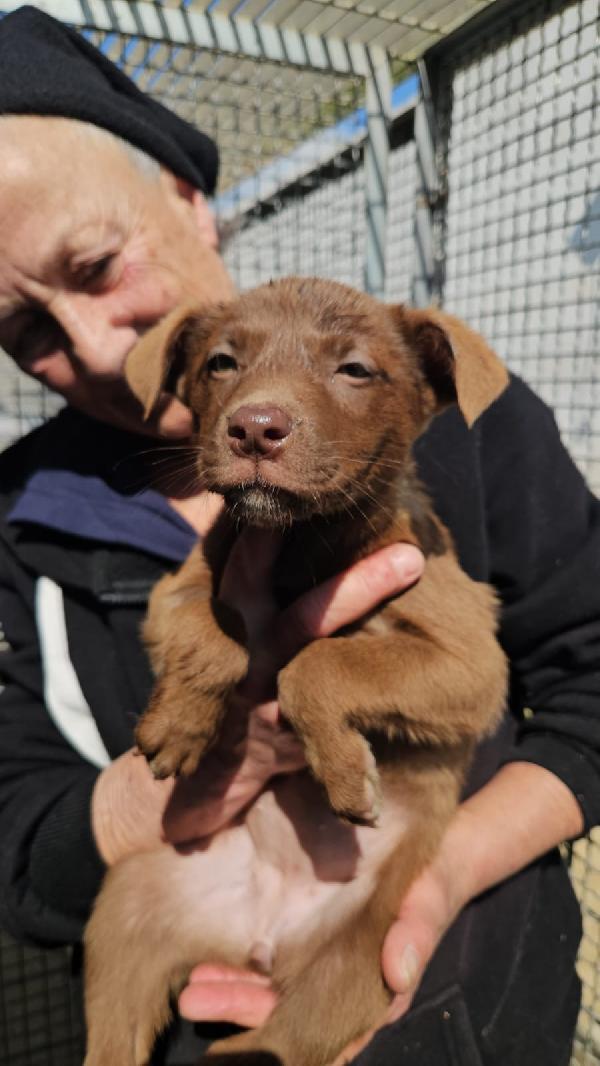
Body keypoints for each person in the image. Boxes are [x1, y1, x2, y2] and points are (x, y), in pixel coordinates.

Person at [0, 7, 598, 1066]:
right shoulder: (19, 524)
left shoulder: (462, 423)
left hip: (461, 977)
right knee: (130, 923)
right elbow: (20, 835)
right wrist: (180, 769)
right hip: (205, 910)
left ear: (189, 197)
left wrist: (446, 869)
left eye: (94, 264)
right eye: (25, 332)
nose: (95, 346)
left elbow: (568, 686)